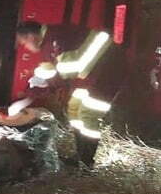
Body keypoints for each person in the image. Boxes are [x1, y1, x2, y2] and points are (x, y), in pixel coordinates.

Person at [12, 20, 118, 166]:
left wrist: (47, 77)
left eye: (24, 43)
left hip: (108, 72)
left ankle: (86, 162)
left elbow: (73, 67)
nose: (27, 47)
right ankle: (80, 156)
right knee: (73, 109)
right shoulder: (48, 44)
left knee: (88, 114)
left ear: (31, 37)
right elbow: (51, 76)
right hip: (91, 76)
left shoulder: (57, 38)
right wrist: (28, 96)